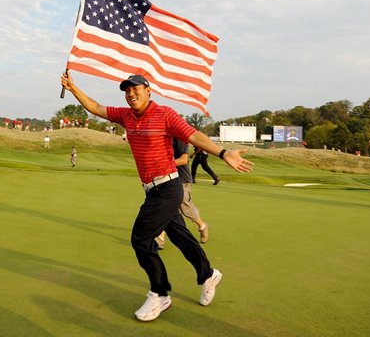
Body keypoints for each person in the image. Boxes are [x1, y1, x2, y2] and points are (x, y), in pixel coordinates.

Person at [61, 72, 253, 322]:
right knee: (180, 236)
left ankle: (160, 293)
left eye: (135, 89)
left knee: (141, 239)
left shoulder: (165, 114)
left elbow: (194, 136)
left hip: (168, 188)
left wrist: (223, 152)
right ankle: (208, 275)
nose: (131, 94)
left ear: (148, 89)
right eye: (127, 91)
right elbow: (96, 108)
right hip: (152, 189)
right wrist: (73, 87)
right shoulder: (126, 115)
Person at [156, 138, 210, 249]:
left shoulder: (179, 140)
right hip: (169, 178)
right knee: (168, 207)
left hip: (182, 179)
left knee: (185, 207)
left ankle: (202, 226)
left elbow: (184, 160)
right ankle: (161, 237)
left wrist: (165, 165)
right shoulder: (164, 139)